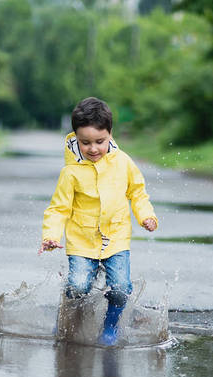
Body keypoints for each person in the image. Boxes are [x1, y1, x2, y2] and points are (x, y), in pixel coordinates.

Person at [39, 97, 158, 346]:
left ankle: (110, 328)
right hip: (82, 240)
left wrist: (146, 215)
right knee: (79, 286)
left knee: (120, 288)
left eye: (99, 142)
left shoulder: (123, 162)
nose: (93, 148)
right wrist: (51, 236)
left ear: (110, 134)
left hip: (116, 238)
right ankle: (68, 313)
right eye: (85, 143)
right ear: (76, 138)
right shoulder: (71, 172)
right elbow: (58, 208)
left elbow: (137, 192)